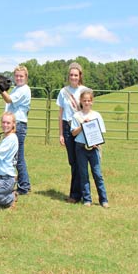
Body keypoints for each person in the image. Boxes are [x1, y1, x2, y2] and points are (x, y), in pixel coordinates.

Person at [71, 89, 109, 208]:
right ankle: (87, 199)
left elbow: (101, 132)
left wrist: (96, 143)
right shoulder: (77, 116)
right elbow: (73, 133)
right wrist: (83, 125)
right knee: (83, 174)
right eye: (84, 100)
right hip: (81, 147)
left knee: (97, 174)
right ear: (81, 101)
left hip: (94, 148)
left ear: (92, 102)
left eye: (89, 100)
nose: (86, 102)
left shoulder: (97, 115)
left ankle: (103, 199)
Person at [56, 62, 87, 203]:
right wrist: (61, 133)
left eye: (76, 75)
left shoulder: (85, 91)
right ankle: (79, 193)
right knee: (73, 161)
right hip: (68, 127)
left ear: (80, 76)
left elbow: (88, 111)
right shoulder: (63, 92)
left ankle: (76, 195)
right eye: (71, 75)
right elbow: (61, 113)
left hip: (80, 128)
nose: (73, 77)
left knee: (80, 161)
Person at [0, 65, 31, 195]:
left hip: (17, 125)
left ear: (26, 77)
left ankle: (24, 186)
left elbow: (9, 99)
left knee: (17, 157)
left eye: (21, 76)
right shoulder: (17, 88)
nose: (18, 78)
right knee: (14, 156)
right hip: (14, 124)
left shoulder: (24, 89)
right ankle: (22, 183)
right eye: (17, 76)